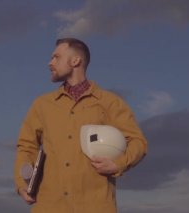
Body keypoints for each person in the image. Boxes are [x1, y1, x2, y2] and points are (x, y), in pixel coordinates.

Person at [14, 38, 147, 213]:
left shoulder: (110, 103)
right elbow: (26, 146)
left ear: (76, 61)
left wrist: (118, 164)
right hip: (49, 206)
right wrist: (23, 183)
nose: (50, 62)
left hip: (96, 206)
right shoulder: (42, 105)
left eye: (56, 57)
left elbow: (138, 142)